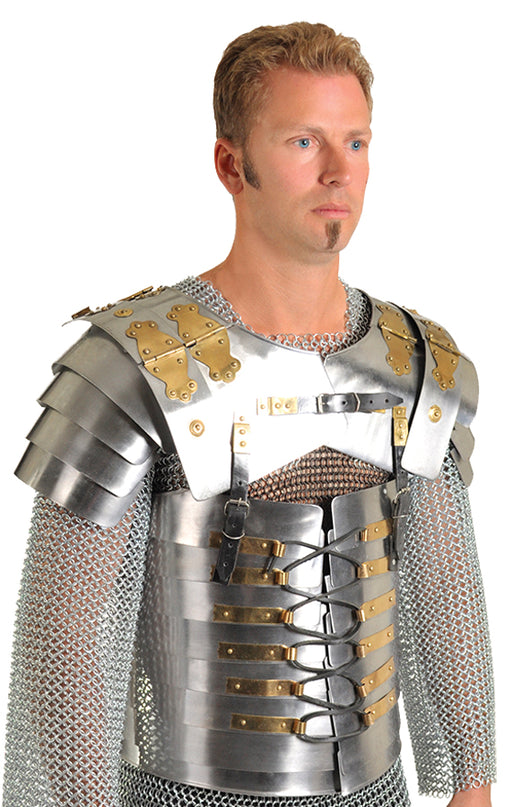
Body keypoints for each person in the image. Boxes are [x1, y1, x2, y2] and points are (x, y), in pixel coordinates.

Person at [2, 21, 495, 807]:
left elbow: (444, 592)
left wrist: (473, 782)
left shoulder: (417, 366)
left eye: (356, 142)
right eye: (304, 141)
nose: (338, 170)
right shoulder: (135, 365)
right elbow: (66, 635)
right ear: (232, 165)